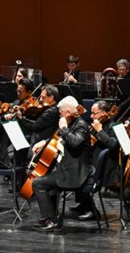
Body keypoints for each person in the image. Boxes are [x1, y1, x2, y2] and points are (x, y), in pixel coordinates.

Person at [31, 96, 91, 231]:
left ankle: (47, 220)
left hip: (74, 173)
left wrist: (63, 128)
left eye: (61, 112)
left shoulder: (81, 125)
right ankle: (53, 219)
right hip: (67, 168)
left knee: (37, 183)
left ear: (68, 113)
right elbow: (57, 138)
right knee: (48, 181)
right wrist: (44, 142)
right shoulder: (72, 122)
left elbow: (74, 142)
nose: (59, 115)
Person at [72, 100, 120, 221]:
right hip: (92, 161)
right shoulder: (98, 123)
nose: (91, 116)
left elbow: (113, 145)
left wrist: (99, 131)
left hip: (105, 166)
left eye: (94, 113)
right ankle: (84, 203)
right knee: (75, 166)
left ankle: (92, 211)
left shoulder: (114, 125)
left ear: (104, 113)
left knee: (80, 175)